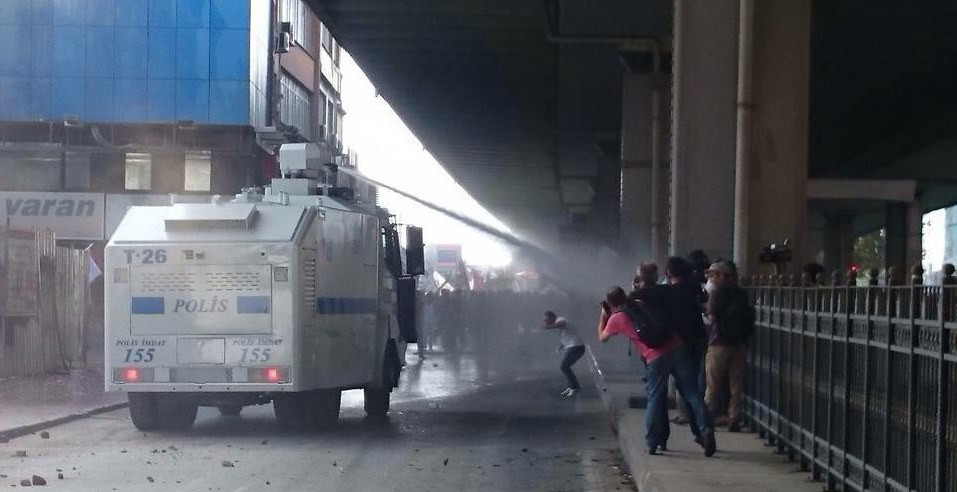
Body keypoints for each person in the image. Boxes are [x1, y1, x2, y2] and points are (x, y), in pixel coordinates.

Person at [598, 286, 716, 456]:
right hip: (676, 347)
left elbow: (602, 338)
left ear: (609, 303)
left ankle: (652, 443)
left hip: (655, 356)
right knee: (692, 392)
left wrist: (603, 316)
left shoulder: (616, 319)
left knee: (655, 397)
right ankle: (706, 429)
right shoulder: (638, 304)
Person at [704, 261, 754, 432]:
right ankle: (734, 417)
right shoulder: (741, 293)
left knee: (713, 384)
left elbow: (712, 317)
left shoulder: (716, 293)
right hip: (738, 343)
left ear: (720, 276)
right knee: (736, 385)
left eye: (713, 275)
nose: (711, 278)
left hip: (718, 343)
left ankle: (708, 417)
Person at [542, 311, 585, 397]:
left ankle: (575, 387)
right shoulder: (560, 324)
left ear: (552, 317)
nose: (545, 322)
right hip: (575, 347)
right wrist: (560, 346)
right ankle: (573, 386)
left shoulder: (561, 320)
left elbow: (561, 323)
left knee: (564, 366)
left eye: (546, 319)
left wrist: (549, 327)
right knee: (565, 366)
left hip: (576, 347)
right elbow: (567, 336)